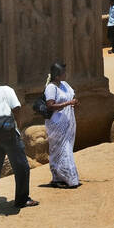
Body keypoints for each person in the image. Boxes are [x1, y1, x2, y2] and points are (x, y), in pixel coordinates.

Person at [0, 75, 37, 212]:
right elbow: (16, 108)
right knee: (21, 167)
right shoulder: (6, 90)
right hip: (10, 136)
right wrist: (18, 126)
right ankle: (22, 199)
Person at [43, 61, 81, 190]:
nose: (66, 74)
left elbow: (72, 94)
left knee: (67, 148)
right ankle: (68, 178)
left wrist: (74, 101)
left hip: (68, 122)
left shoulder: (64, 85)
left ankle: (60, 178)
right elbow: (50, 105)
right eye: (63, 73)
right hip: (57, 124)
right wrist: (68, 103)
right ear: (57, 76)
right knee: (61, 149)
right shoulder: (51, 88)